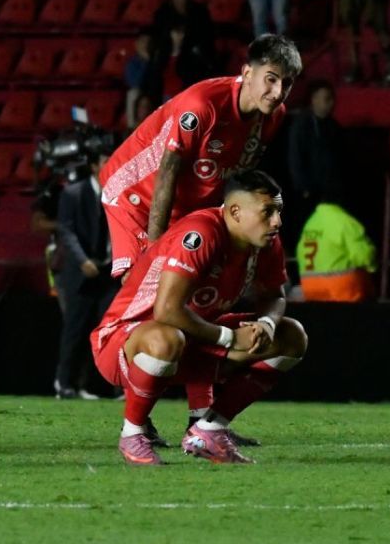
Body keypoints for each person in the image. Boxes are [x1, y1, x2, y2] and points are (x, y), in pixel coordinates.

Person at [99, 34, 300, 440]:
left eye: (287, 83)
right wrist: (157, 250)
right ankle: (136, 420)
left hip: (190, 206)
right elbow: (168, 173)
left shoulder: (272, 117)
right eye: (271, 79)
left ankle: (201, 421)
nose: (278, 91)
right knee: (155, 301)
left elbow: (231, 180)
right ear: (247, 72)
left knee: (200, 296)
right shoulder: (201, 105)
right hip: (137, 197)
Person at [91, 170, 307, 465]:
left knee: (291, 336)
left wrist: (266, 324)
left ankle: (209, 431)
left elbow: (275, 296)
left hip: (193, 341)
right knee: (166, 338)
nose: (277, 222)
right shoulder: (201, 232)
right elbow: (167, 310)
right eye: (267, 211)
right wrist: (230, 338)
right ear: (235, 212)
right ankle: (133, 434)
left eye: (278, 211)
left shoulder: (266, 242)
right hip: (124, 341)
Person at [53, 153, 116, 400]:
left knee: (108, 329)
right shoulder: (73, 193)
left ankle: (96, 386)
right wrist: (83, 260)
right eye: (106, 161)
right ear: (93, 166)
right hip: (81, 272)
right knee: (75, 330)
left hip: (109, 271)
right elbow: (66, 230)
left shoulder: (120, 192)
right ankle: (64, 383)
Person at [296, 190, 377, 302]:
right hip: (343, 291)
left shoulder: (310, 223)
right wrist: (373, 266)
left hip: (311, 290)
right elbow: (364, 256)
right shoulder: (344, 221)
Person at [286, 80, 339, 247]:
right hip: (307, 192)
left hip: (327, 191)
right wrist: (304, 187)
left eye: (332, 99)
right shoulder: (302, 125)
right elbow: (295, 157)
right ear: (314, 99)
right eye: (326, 99)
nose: (331, 103)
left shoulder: (333, 126)